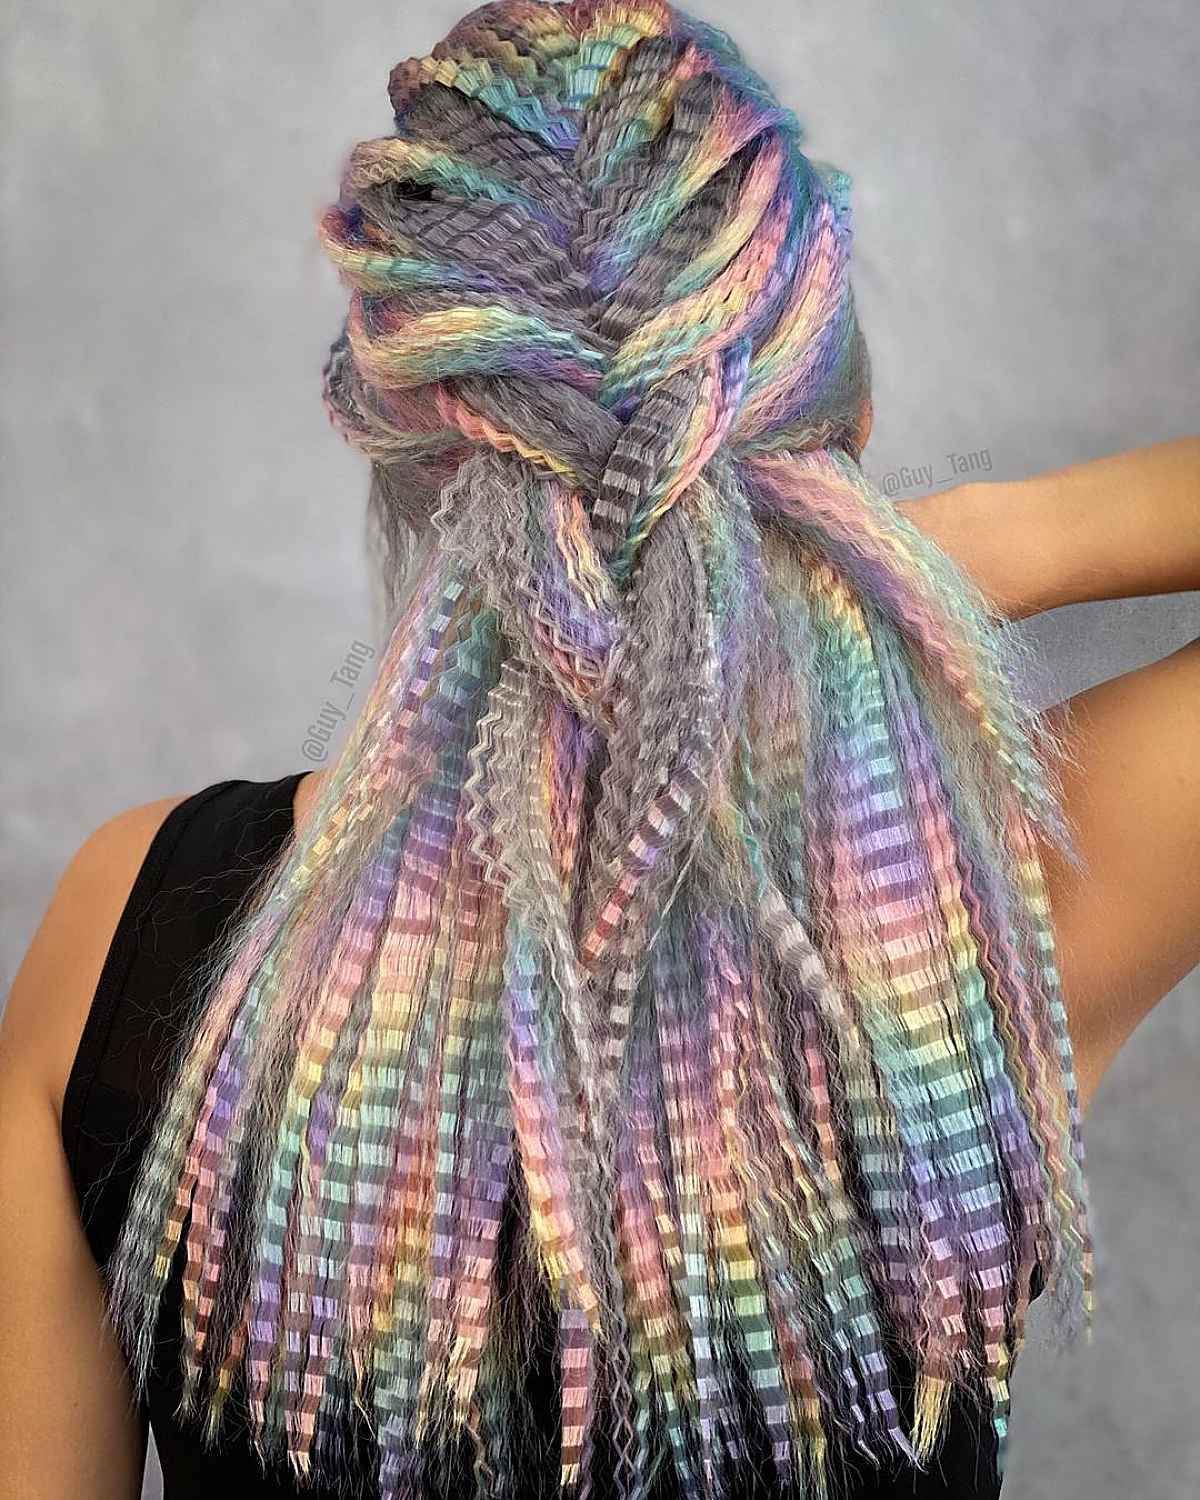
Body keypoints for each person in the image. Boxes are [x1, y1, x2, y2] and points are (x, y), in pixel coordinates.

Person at [1, 3, 1197, 1497]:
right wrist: (972, 545)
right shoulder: (987, 916)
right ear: (840, 427)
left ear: (396, 443)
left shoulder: (131, 927)